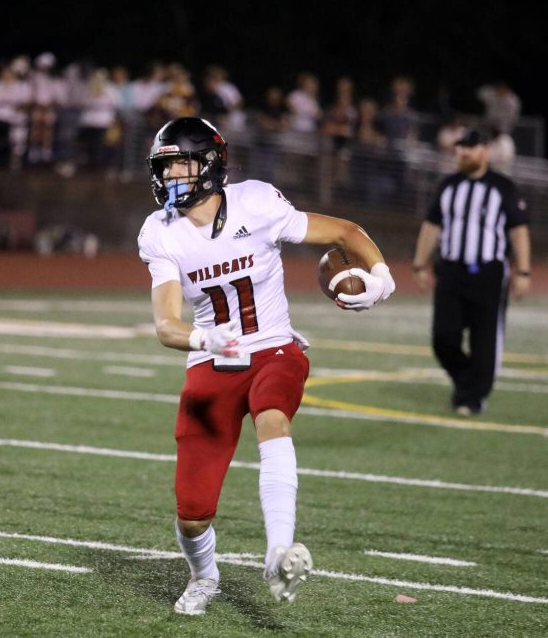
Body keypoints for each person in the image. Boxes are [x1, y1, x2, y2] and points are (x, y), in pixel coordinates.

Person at [137, 117, 396, 614]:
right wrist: (203, 336)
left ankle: (279, 552)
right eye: (164, 168)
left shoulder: (256, 202)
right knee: (192, 514)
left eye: (180, 165)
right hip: (215, 357)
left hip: (276, 346)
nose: (171, 178)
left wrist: (381, 278)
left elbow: (344, 232)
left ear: (210, 165)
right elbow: (166, 324)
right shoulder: (160, 233)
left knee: (272, 415)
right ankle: (204, 576)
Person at [411, 128, 531, 416]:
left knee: (485, 339)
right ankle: (468, 383)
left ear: (485, 151)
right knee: (443, 338)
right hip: (451, 271)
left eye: (471, 147)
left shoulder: (503, 187)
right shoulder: (448, 185)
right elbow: (431, 226)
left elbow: (518, 231)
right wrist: (419, 264)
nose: (464, 152)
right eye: (461, 147)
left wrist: (523, 271)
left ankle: (472, 397)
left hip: (489, 273)